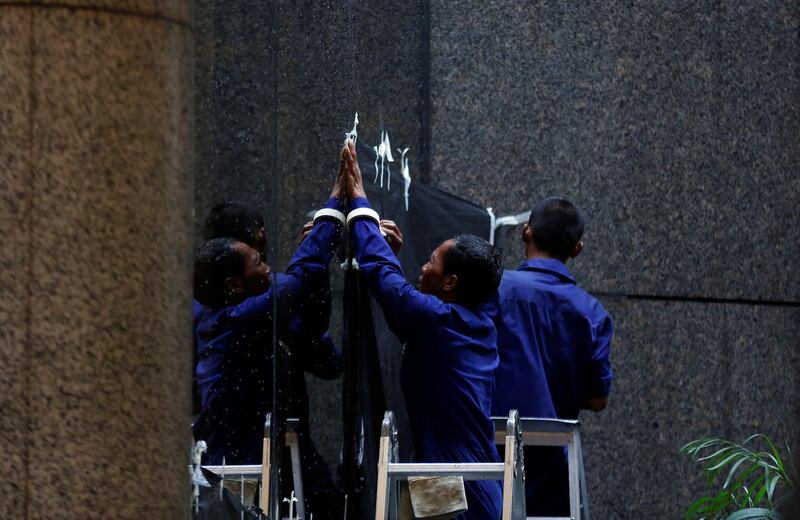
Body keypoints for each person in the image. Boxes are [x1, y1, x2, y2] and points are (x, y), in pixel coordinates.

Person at [341, 141, 504, 519]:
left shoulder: (444, 322)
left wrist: (361, 207)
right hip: (457, 482)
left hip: (455, 488)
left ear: (450, 283)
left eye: (432, 260)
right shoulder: (472, 324)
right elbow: (406, 311)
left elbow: (392, 290)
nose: (424, 266)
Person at [192, 154, 348, 518]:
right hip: (238, 463)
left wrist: (319, 259)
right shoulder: (236, 319)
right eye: (259, 263)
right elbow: (295, 281)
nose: (267, 267)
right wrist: (332, 211)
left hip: (278, 450)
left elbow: (314, 333)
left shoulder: (252, 312)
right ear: (233, 285)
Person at [487, 197, 614, 516]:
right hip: (554, 470)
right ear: (577, 249)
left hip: (487, 456)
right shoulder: (592, 313)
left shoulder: (495, 288)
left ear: (525, 232)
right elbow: (598, 399)